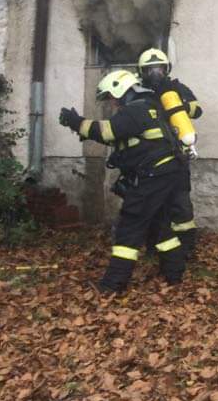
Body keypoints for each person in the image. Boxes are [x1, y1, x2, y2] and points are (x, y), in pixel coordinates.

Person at [59, 69, 187, 293]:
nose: (112, 103)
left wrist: (76, 122)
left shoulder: (134, 110)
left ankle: (113, 284)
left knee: (131, 223)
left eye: (111, 97)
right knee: (158, 222)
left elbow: (107, 132)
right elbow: (123, 138)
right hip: (167, 173)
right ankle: (174, 272)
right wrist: (85, 130)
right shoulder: (150, 107)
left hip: (153, 175)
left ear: (121, 89)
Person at [137, 48, 202, 256]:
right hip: (149, 158)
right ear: (142, 72)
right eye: (150, 70)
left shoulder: (176, 88)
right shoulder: (138, 92)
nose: (155, 73)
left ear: (167, 69)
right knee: (151, 203)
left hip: (177, 155)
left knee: (180, 203)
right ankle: (153, 246)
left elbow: (197, 110)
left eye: (160, 69)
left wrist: (175, 102)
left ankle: (186, 247)